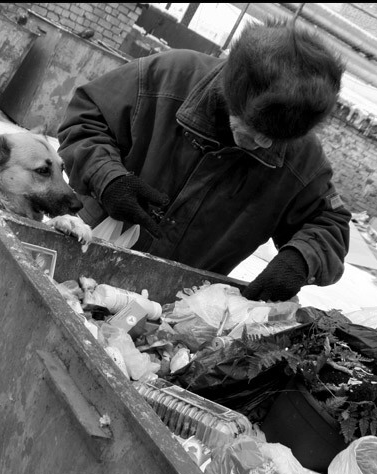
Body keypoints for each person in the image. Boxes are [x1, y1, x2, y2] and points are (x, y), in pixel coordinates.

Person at [57, 18, 351, 302]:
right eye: (252, 130)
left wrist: (301, 260)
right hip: (83, 249)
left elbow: (329, 223)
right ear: (231, 90)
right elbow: (86, 118)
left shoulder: (303, 157)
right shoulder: (169, 75)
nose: (262, 143)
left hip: (174, 300)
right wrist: (108, 179)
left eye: (273, 140)